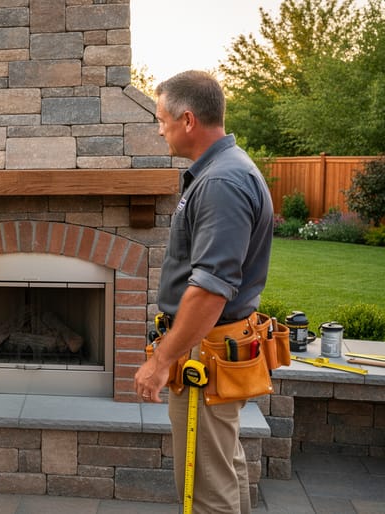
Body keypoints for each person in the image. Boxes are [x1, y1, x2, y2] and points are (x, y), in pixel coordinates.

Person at [134, 71, 274, 512]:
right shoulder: (225, 170)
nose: (160, 130)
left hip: (204, 353)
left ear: (188, 120)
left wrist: (161, 361)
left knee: (205, 489)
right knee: (221, 466)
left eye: (162, 120)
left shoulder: (220, 183)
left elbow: (210, 290)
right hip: (212, 346)